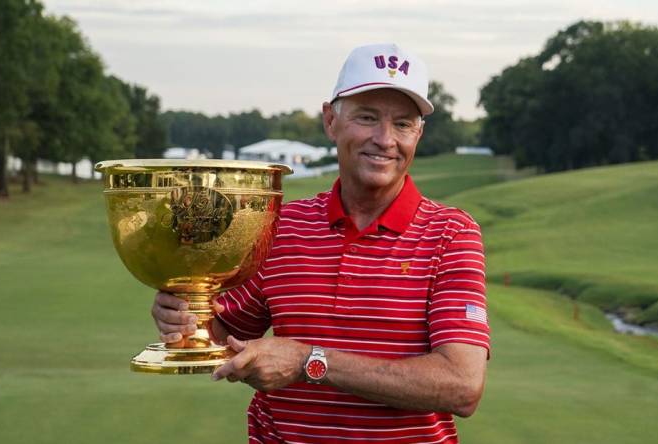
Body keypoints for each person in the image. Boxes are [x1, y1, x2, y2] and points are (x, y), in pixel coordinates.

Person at [152, 43, 490, 443]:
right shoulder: (281, 227)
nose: (385, 139)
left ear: (419, 133)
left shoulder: (450, 234)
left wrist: (310, 362)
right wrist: (188, 314)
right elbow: (228, 337)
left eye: (403, 124)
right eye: (367, 117)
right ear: (331, 120)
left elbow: (462, 386)